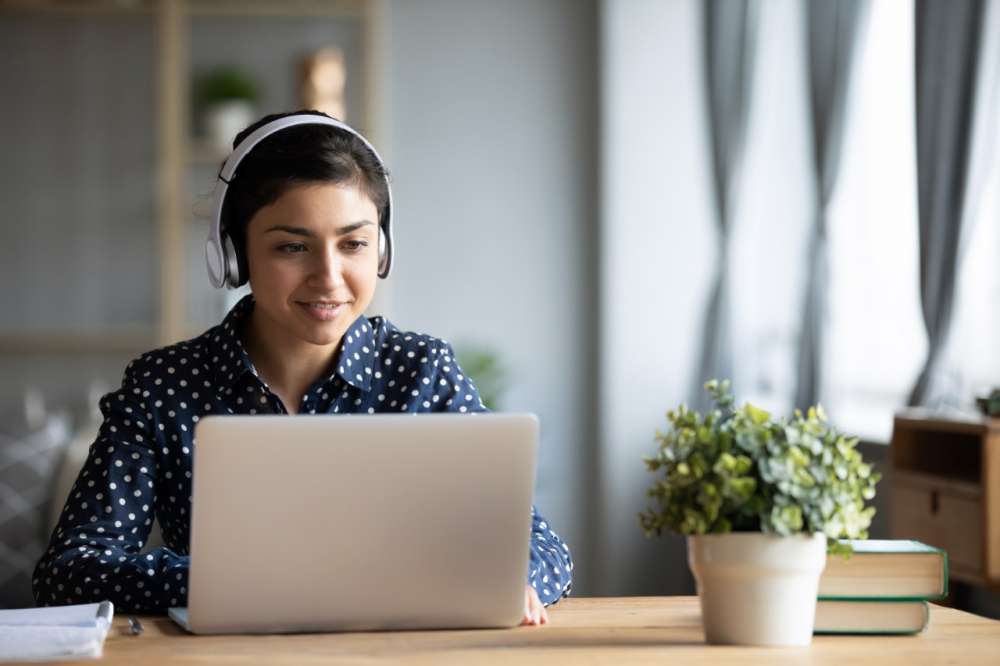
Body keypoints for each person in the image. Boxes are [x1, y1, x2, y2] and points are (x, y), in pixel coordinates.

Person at [32, 110, 573, 626]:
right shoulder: (164, 385)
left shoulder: (423, 372)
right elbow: (71, 571)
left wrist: (509, 578)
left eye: (354, 243)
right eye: (293, 246)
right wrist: (238, 582)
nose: (329, 277)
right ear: (233, 254)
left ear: (381, 250)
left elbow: (545, 550)